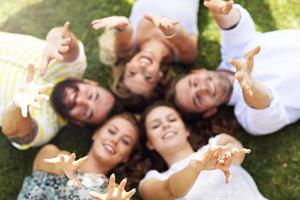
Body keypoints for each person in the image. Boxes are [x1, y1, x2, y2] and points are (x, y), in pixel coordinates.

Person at [168, 0, 300, 135]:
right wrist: (247, 83)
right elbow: (265, 105)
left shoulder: (234, 51)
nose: (202, 89)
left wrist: (220, 11)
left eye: (194, 83)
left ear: (199, 71)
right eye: (198, 99)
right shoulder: (249, 120)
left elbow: (235, 26)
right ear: (209, 112)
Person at [139, 103, 266, 200]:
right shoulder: (153, 180)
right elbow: (169, 190)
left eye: (172, 119)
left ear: (186, 130)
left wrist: (225, 155)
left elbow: (237, 151)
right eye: (155, 126)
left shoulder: (216, 143)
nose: (166, 125)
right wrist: (196, 167)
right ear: (150, 143)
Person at [92, 0, 199, 109]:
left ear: (127, 65)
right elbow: (180, 37)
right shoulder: (184, 56)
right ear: (159, 77)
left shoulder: (127, 49)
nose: (142, 67)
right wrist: (166, 28)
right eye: (148, 77)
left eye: (132, 72)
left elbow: (124, 29)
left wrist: (120, 24)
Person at [0, 22, 87, 150]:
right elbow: (65, 38)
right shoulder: (74, 67)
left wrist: (17, 105)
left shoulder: (48, 125)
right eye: (92, 96)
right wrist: (56, 41)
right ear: (91, 83)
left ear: (78, 122)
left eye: (86, 112)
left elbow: (15, 133)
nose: (80, 100)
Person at [17, 113, 139, 200]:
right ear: (96, 133)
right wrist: (64, 163)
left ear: (126, 156)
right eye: (111, 131)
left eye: (125, 141)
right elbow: (51, 163)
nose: (115, 140)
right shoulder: (52, 153)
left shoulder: (117, 194)